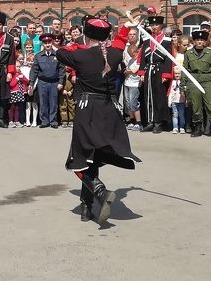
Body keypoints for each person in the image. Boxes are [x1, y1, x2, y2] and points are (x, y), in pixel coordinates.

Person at [57, 15, 141, 225]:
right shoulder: (113, 55)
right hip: (109, 112)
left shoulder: (80, 56)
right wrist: (126, 28)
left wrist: (77, 45)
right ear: (106, 35)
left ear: (86, 34)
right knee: (91, 159)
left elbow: (60, 52)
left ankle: (99, 191)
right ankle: (87, 207)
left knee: (77, 161)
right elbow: (120, 42)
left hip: (88, 111)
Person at [183, 29, 211, 139]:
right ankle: (198, 128)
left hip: (207, 81)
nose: (199, 42)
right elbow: (185, 70)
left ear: (205, 42)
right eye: (197, 40)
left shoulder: (210, 53)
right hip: (193, 81)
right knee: (196, 106)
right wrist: (183, 85)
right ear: (194, 41)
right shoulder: (188, 53)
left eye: (202, 40)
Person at [138, 15, 170, 132]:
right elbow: (143, 58)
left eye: (156, 25)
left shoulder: (166, 40)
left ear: (161, 26)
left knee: (159, 97)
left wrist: (166, 74)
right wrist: (141, 72)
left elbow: (168, 59)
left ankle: (159, 122)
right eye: (152, 25)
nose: (154, 27)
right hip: (149, 70)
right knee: (148, 96)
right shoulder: (147, 39)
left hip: (160, 70)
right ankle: (150, 121)